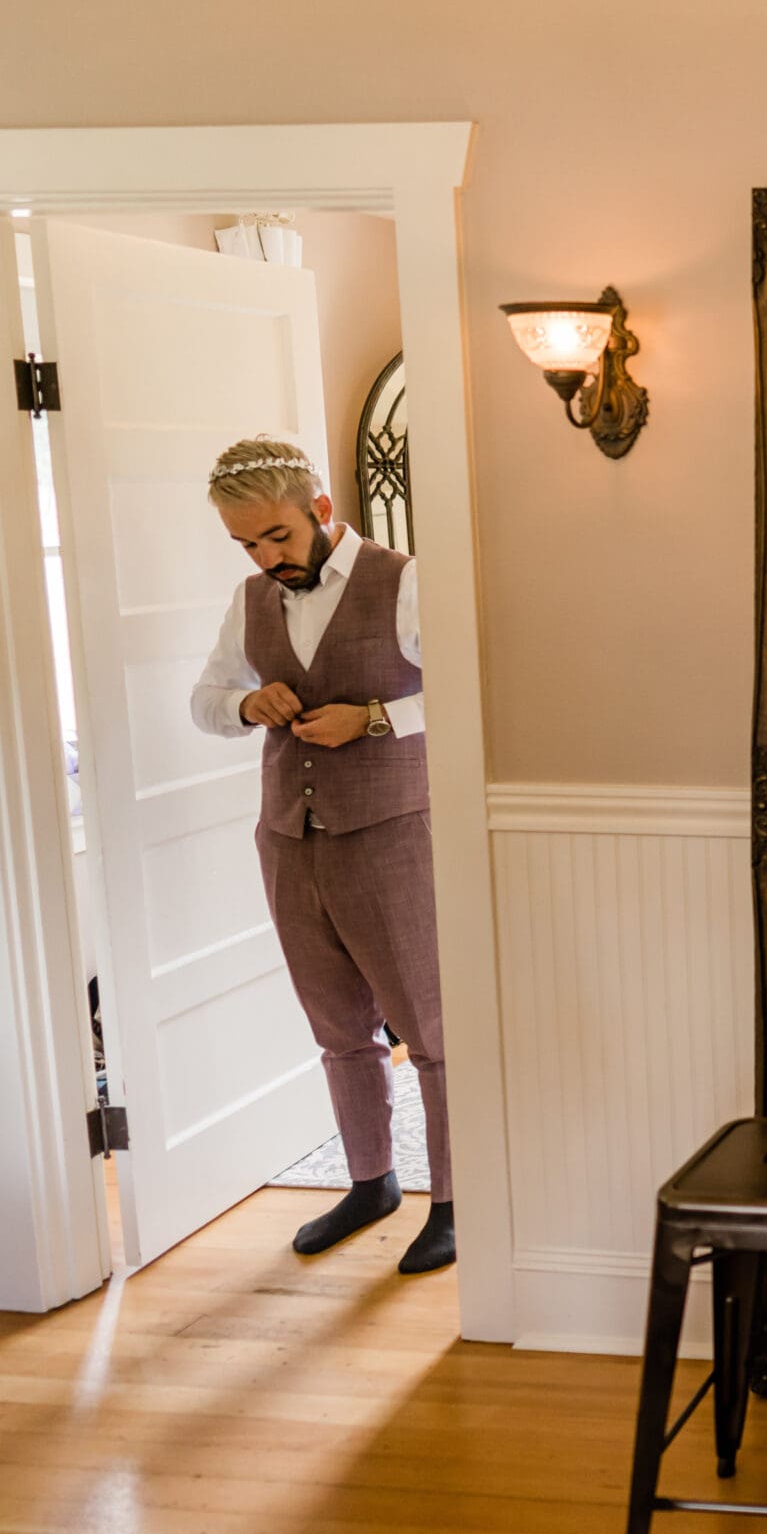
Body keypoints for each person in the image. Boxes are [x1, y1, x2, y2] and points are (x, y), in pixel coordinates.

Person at [188, 437, 455, 1275]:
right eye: (247, 544)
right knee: (338, 1027)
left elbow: (466, 691)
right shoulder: (250, 600)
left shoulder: (405, 581)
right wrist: (246, 703)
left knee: (431, 1027)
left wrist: (371, 718)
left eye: (277, 536)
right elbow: (203, 701)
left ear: (322, 510)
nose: (266, 558)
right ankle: (371, 1182)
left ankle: (458, 1201)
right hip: (288, 838)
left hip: (393, 831)